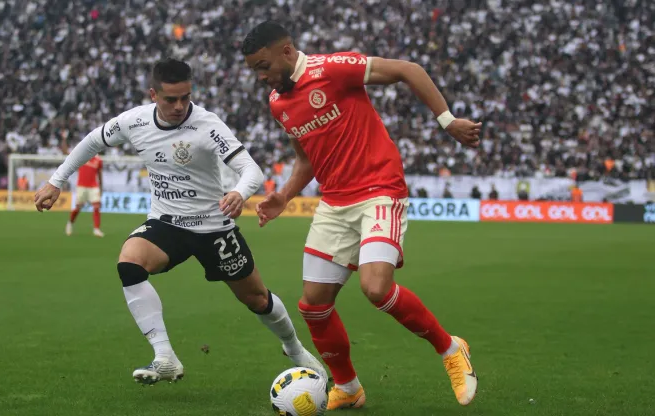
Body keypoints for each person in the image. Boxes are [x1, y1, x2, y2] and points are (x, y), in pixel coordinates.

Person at [34, 57, 326, 385]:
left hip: (214, 226)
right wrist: (57, 181)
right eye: (171, 99)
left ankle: (293, 347)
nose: (179, 106)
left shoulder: (207, 124)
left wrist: (240, 193)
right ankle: (165, 356)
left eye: (186, 97)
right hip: (167, 222)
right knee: (129, 263)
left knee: (255, 298)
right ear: (153, 95)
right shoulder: (134, 121)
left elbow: (251, 170)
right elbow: (93, 141)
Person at [241, 21, 480, 409]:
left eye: (263, 65)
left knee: (375, 287)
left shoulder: (331, 69)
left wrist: (447, 121)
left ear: (286, 51)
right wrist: (284, 195)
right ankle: (349, 388)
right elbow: (306, 158)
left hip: (379, 191)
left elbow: (408, 70)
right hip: (334, 203)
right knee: (313, 304)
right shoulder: (278, 103)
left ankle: (450, 347)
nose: (261, 76)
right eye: (255, 69)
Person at [60, 132, 104, 237]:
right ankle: (70, 223)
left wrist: (101, 188)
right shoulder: (82, 155)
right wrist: (64, 139)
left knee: (96, 207)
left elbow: (100, 175)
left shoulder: (98, 160)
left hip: (94, 186)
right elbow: (65, 152)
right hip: (82, 186)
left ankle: (96, 229)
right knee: (78, 207)